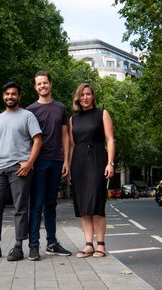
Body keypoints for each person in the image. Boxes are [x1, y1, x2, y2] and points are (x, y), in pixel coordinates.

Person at [0, 81, 42, 262]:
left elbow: (38, 140)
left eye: (13, 94)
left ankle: (19, 247)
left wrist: (29, 164)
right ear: (3, 96)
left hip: (19, 169)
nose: (10, 97)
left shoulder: (27, 116)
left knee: (20, 208)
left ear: (19, 96)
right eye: (7, 94)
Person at [26, 71, 71, 261]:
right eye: (39, 84)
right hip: (37, 162)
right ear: (35, 87)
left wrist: (67, 160)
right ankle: (34, 246)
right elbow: (25, 139)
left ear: (51, 84)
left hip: (56, 161)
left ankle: (52, 243)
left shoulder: (60, 108)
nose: (43, 86)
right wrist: (26, 162)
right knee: (36, 205)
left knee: (51, 204)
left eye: (45, 83)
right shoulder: (29, 111)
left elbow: (65, 136)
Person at [68, 83, 115, 258]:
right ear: (78, 98)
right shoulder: (73, 119)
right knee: (83, 204)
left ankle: (101, 244)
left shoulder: (102, 114)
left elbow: (110, 140)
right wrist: (69, 167)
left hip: (97, 159)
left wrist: (110, 163)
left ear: (93, 96)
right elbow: (72, 145)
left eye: (88, 94)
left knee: (96, 202)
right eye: (82, 95)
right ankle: (88, 244)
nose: (85, 97)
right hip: (78, 162)